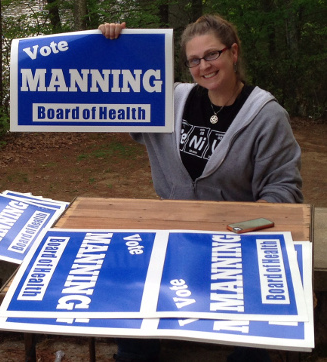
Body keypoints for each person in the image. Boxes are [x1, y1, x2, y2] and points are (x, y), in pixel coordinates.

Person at [99, 14, 303, 362]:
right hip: (172, 237)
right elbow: (120, 90)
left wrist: (247, 224)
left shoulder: (267, 115)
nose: (204, 66)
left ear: (233, 52)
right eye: (194, 60)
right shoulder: (171, 100)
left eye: (212, 55)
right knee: (133, 319)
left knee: (251, 347)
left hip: (236, 248)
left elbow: (285, 188)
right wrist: (114, 45)